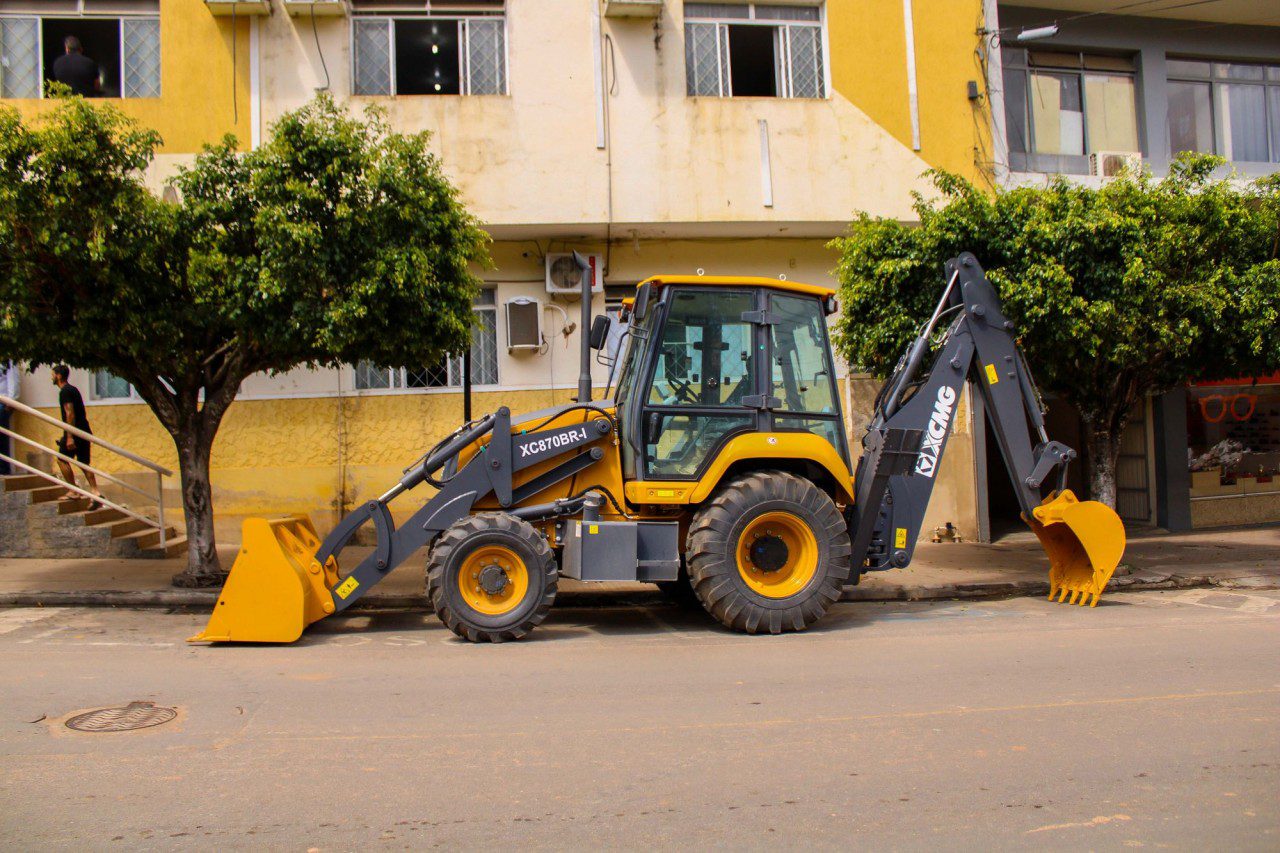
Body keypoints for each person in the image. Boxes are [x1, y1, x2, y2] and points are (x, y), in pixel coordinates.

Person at [50, 365, 101, 506]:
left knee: (61, 459)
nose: (51, 377)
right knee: (84, 463)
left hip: (75, 432)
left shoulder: (65, 392)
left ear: (59, 376)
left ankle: (73, 490)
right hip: (84, 431)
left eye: (53, 374)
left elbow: (70, 413)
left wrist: (69, 436)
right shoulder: (73, 389)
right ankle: (95, 492)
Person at [0, 361, 18, 476]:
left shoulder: (7, 359)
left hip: (2, 402)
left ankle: (3, 470)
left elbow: (14, 380)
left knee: (1, 438)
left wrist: (10, 401)